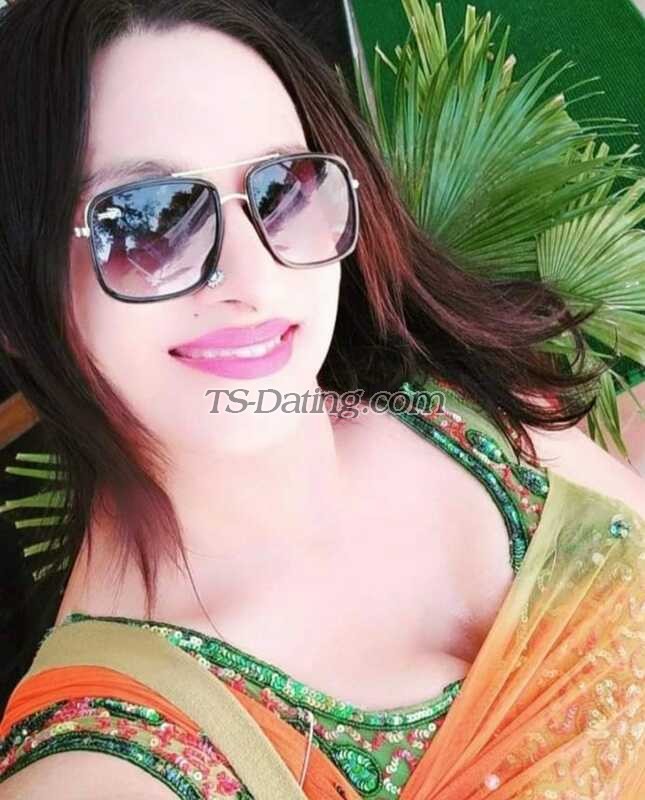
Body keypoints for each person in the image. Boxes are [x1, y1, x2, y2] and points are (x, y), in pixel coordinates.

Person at [0, 1, 643, 798]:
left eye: (281, 190)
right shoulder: (98, 767)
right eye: (146, 223)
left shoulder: (456, 406)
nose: (254, 277)